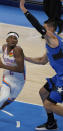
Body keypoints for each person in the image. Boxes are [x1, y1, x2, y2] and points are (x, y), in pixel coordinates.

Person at [20, 0, 63, 130]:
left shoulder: (53, 39)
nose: (42, 31)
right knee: (43, 93)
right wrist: (25, 58)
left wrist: (23, 9)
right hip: (59, 76)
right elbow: (42, 60)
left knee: (49, 105)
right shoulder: (51, 43)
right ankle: (51, 123)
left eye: (44, 29)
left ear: (50, 29)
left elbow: (36, 25)